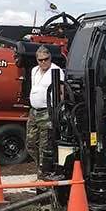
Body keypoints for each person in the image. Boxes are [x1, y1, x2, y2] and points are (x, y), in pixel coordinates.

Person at [26, 46, 63, 179]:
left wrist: (58, 110)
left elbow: (62, 92)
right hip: (34, 111)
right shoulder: (34, 70)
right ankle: (40, 168)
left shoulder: (56, 71)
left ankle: (44, 173)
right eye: (40, 60)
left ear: (50, 58)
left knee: (45, 145)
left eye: (46, 59)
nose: (43, 62)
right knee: (30, 143)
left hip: (47, 111)